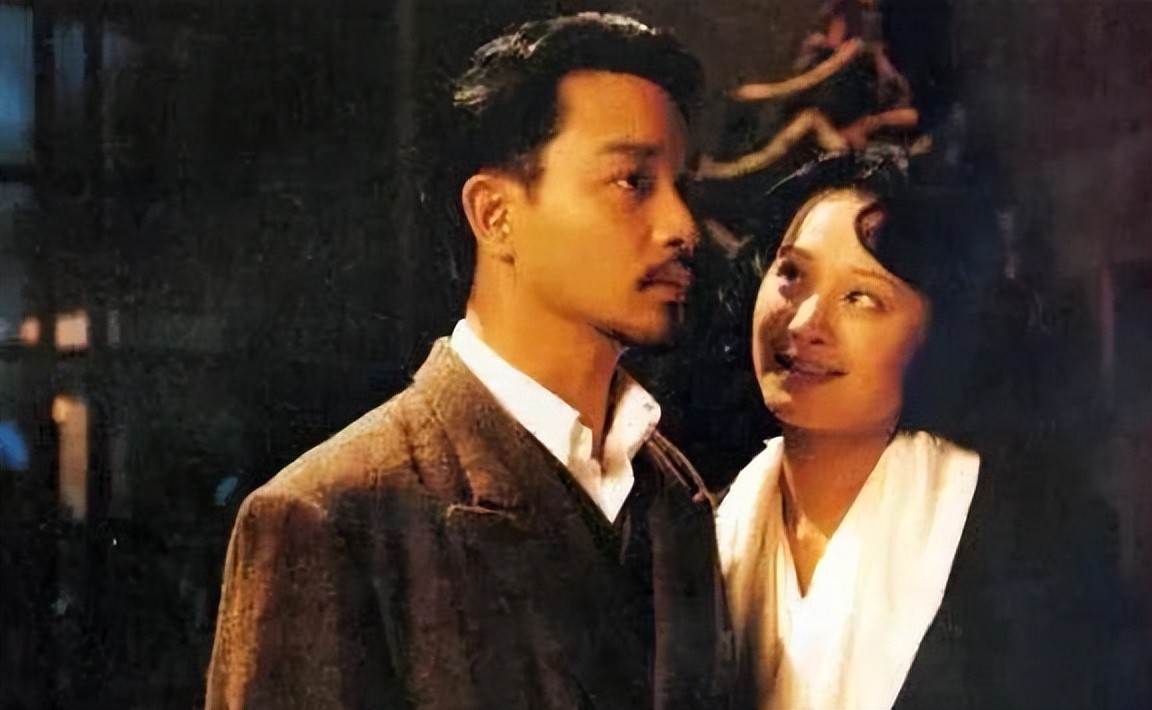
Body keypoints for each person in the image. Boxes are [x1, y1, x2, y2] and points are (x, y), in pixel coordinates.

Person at [205, 12, 730, 710]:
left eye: (682, 187)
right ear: (494, 214)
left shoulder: (674, 495)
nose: (682, 227)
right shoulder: (334, 515)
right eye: (633, 181)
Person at [714, 154, 1115, 708]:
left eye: (861, 298)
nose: (804, 323)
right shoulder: (701, 528)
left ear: (935, 338)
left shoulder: (1033, 538)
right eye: (791, 274)